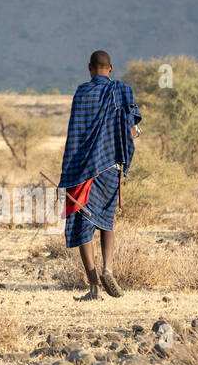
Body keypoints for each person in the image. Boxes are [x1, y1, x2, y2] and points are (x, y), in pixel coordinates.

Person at [59, 50, 141, 300]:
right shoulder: (122, 90)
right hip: (110, 168)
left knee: (83, 223)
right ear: (111, 68)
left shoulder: (82, 93)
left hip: (83, 171)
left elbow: (76, 133)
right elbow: (133, 131)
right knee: (107, 221)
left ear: (89, 68)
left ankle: (93, 287)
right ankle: (108, 267)